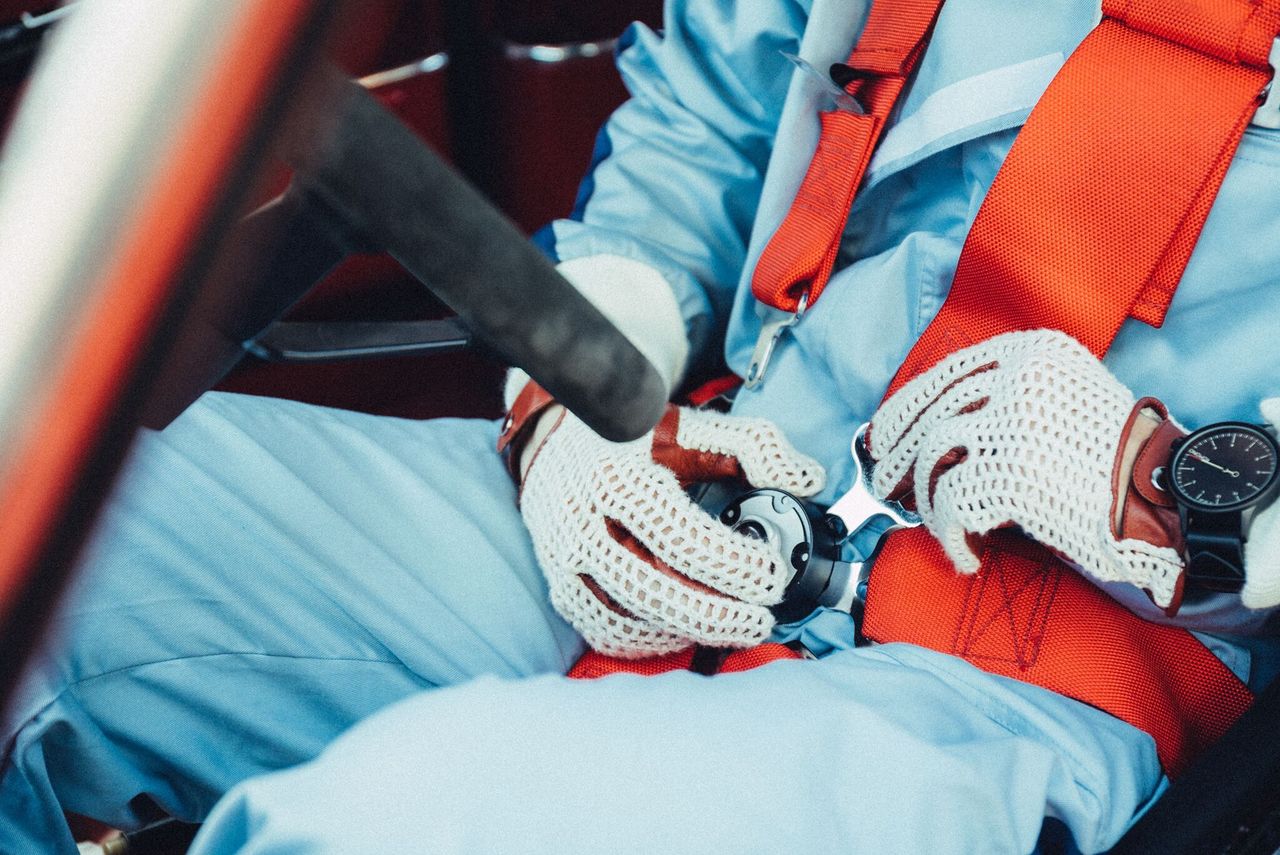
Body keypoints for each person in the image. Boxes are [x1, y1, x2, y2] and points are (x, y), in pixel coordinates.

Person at [5, 0, 1280, 852]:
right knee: (36, 524)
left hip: (1034, 679)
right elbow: (711, 110)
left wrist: (1173, 487)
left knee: (404, 824)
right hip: (716, 492)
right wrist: (577, 395)